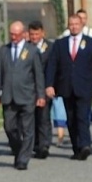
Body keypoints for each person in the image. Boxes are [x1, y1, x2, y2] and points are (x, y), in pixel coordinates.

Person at [43, 11, 92, 160]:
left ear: (82, 25)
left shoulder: (91, 43)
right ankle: (76, 147)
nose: (73, 27)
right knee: (71, 118)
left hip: (84, 86)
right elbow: (52, 65)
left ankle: (85, 145)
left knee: (82, 116)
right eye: (71, 24)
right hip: (66, 86)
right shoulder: (60, 43)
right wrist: (49, 85)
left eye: (76, 24)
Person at [0, 19, 46, 169]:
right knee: (9, 127)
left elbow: (38, 75)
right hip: (9, 96)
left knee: (28, 128)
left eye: (16, 34)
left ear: (23, 34)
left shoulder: (32, 50)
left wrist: (41, 95)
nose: (13, 37)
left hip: (27, 96)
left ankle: (23, 159)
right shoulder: (4, 50)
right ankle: (19, 149)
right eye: (11, 34)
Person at [28, 22, 59, 156]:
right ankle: (34, 144)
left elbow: (55, 68)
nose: (34, 37)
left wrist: (51, 86)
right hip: (29, 89)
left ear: (42, 33)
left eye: (37, 34)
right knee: (31, 118)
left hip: (45, 88)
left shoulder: (50, 48)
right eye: (32, 34)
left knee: (43, 117)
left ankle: (44, 145)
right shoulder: (26, 47)